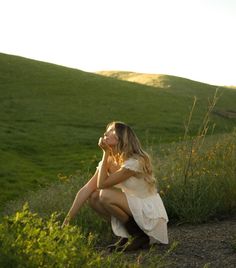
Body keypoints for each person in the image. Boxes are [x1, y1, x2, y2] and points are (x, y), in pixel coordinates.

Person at [62, 121, 168, 251]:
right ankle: (128, 234)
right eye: (107, 130)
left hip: (149, 212)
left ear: (122, 137)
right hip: (133, 206)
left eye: (112, 130)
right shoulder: (110, 160)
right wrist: (67, 221)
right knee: (94, 197)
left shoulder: (135, 162)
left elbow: (101, 185)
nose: (106, 133)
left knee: (105, 194)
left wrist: (105, 153)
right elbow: (87, 189)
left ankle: (138, 236)